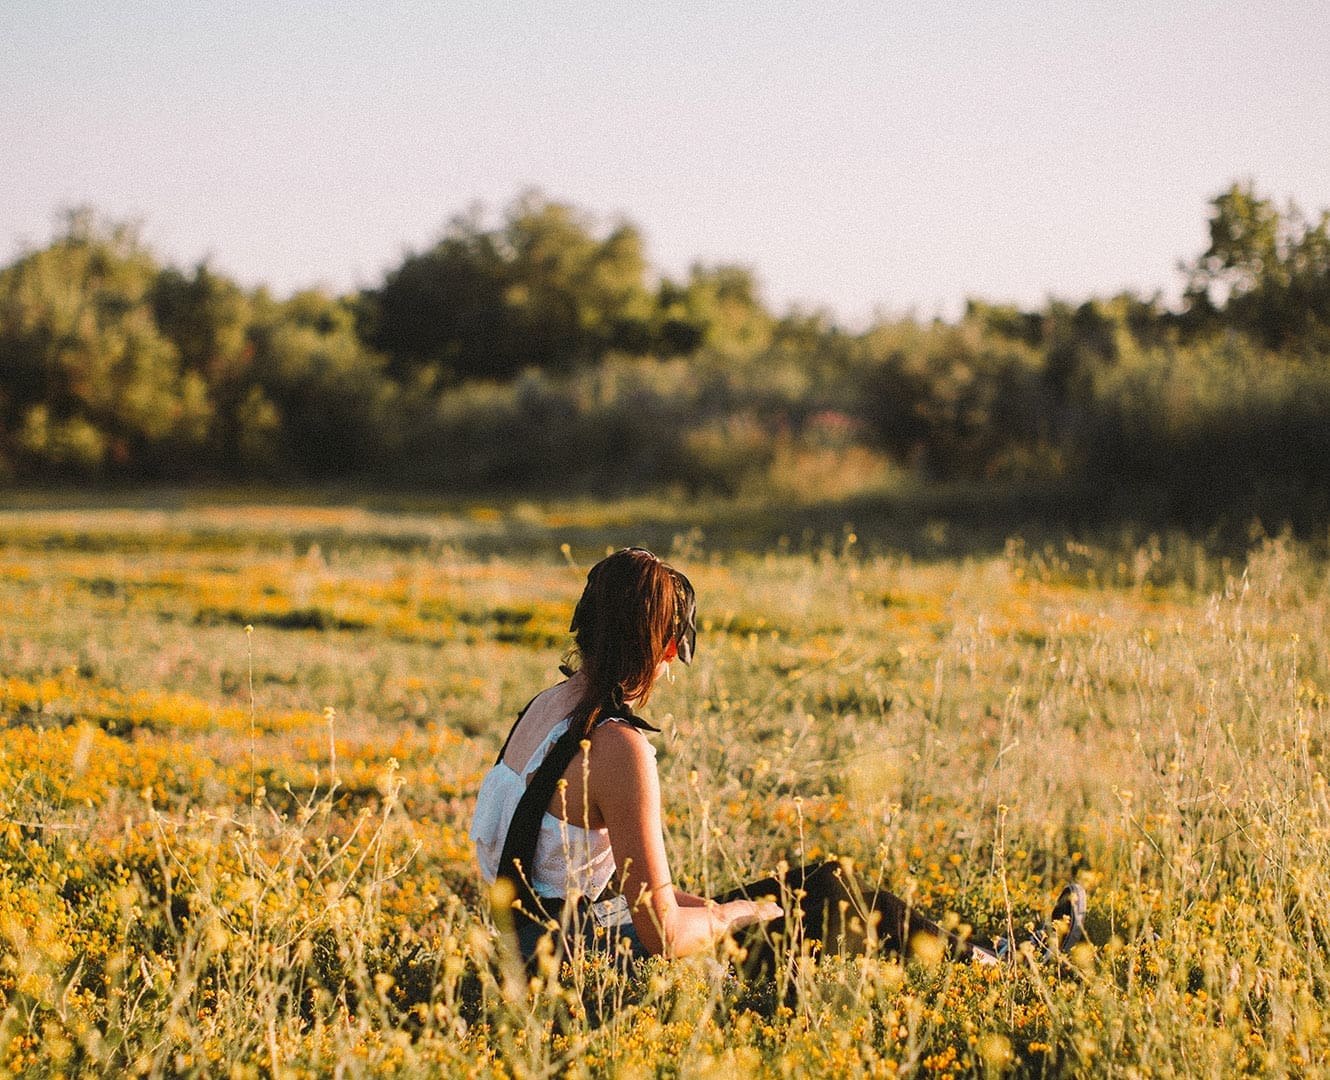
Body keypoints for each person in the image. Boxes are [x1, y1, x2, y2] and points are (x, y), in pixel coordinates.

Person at [470, 547, 1085, 971]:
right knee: (828, 899)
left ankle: (986, 958)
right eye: (670, 649)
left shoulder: (547, 708)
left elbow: (564, 885)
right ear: (658, 643)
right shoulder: (616, 744)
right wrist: (734, 912)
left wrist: (711, 909)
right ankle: (1001, 969)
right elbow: (657, 937)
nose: (667, 668)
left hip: (527, 950)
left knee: (811, 885)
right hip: (577, 973)